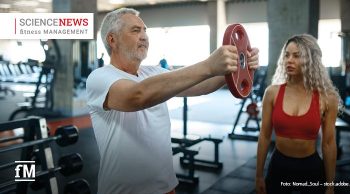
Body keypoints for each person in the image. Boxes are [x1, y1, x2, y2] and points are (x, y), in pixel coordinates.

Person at [86, 8, 259, 194]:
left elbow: (202, 85)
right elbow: (137, 96)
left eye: (145, 30)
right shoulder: (100, 77)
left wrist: (241, 67)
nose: (144, 36)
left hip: (167, 188)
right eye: (135, 31)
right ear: (112, 40)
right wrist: (209, 65)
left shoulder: (153, 73)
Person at [255, 34, 341, 194]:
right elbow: (264, 136)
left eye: (296, 55)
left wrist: (330, 185)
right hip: (278, 165)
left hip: (311, 167)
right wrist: (259, 175)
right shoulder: (272, 93)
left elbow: (328, 143)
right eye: (286, 55)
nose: (289, 60)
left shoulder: (327, 97)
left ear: (311, 60)